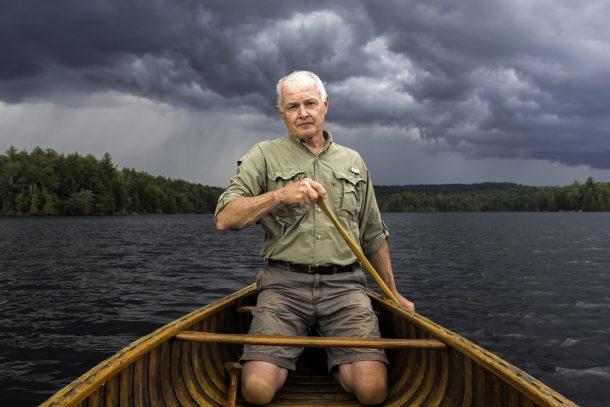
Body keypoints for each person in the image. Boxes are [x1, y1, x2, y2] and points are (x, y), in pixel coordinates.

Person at [215, 70, 414, 405]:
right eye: (292, 106)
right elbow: (225, 218)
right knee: (256, 391)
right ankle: (313, 348)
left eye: (309, 103)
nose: (302, 112)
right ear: (281, 113)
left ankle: (331, 356)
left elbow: (372, 233)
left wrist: (392, 293)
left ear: (325, 105)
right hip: (283, 287)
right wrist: (279, 195)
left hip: (345, 288)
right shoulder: (263, 155)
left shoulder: (353, 161)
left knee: (372, 391)